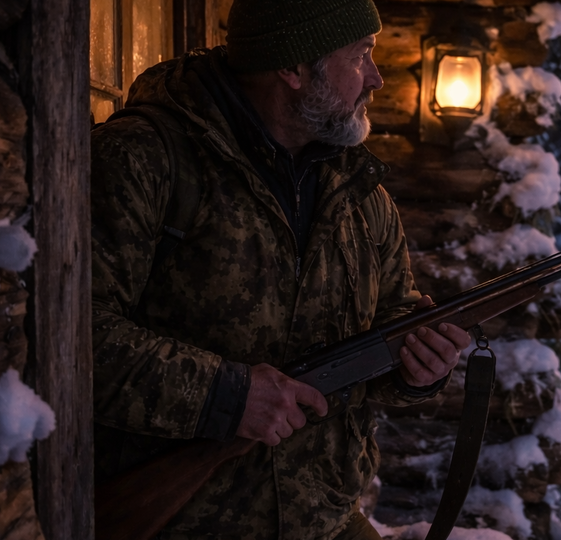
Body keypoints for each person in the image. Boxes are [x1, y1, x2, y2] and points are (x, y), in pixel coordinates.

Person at [90, 0, 470, 538]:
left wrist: (417, 371)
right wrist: (225, 398)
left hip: (330, 521)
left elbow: (387, 328)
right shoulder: (143, 161)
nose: (377, 78)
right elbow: (74, 338)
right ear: (292, 69)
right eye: (361, 56)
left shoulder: (362, 194)